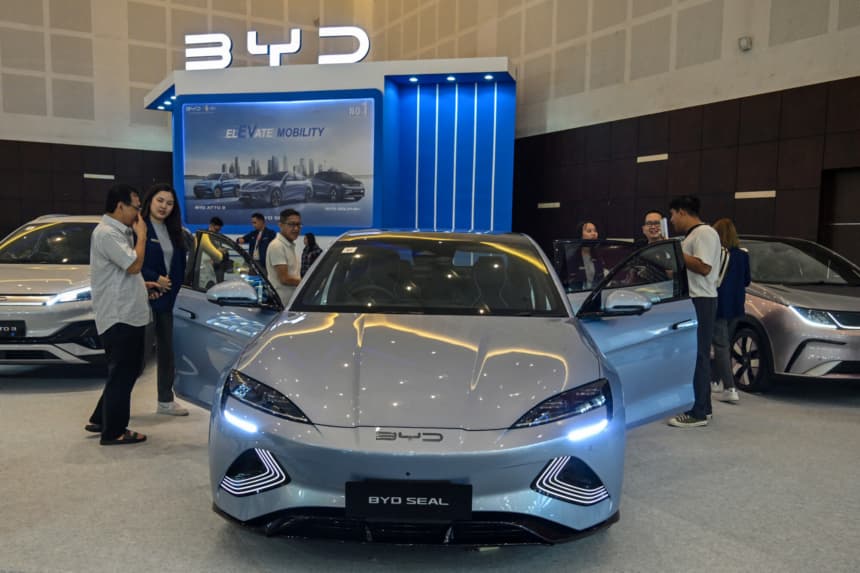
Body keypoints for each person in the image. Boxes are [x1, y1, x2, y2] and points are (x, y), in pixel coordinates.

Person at [86, 184, 160, 445]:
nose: (139, 215)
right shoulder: (108, 233)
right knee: (124, 372)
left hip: (126, 312)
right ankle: (114, 431)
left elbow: (124, 273)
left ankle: (100, 418)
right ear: (120, 206)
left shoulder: (116, 232)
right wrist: (142, 235)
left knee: (124, 371)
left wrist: (144, 285)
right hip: (120, 316)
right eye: (136, 208)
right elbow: (133, 265)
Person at [667, 195, 722, 428]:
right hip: (694, 299)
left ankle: (698, 412)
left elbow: (704, 266)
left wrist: (673, 252)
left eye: (672, 215)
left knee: (698, 356)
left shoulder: (705, 233)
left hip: (702, 300)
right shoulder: (692, 235)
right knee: (695, 354)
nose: (671, 220)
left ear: (681, 212)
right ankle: (703, 407)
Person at [140, 183, 189, 417]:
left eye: (169, 203)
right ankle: (116, 404)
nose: (164, 207)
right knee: (135, 356)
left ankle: (166, 401)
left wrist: (169, 288)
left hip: (168, 301)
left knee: (167, 351)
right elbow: (132, 263)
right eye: (160, 201)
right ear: (150, 200)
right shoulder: (139, 229)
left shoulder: (174, 231)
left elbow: (180, 267)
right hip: (142, 298)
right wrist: (153, 281)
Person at [710, 218, 751, 404]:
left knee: (720, 346)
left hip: (718, 305)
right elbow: (747, 280)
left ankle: (729, 387)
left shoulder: (716, 255)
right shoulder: (743, 256)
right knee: (724, 345)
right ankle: (716, 381)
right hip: (736, 306)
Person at [266, 208, 302, 304]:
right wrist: (307, 283)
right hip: (281, 303)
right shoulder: (277, 246)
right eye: (291, 224)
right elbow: (284, 279)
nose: (296, 229)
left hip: (290, 301)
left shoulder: (290, 245)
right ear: (280, 225)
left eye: (298, 225)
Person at [566, 220, 604, 290]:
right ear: (580, 235)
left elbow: (600, 279)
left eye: (595, 231)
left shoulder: (597, 253)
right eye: (589, 231)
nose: (594, 234)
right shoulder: (571, 254)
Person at [199, 216, 226, 287]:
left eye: (219, 230)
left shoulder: (218, 236)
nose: (217, 232)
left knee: (220, 286)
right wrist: (217, 250)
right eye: (216, 230)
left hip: (218, 265)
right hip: (206, 265)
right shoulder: (203, 235)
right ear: (211, 225)